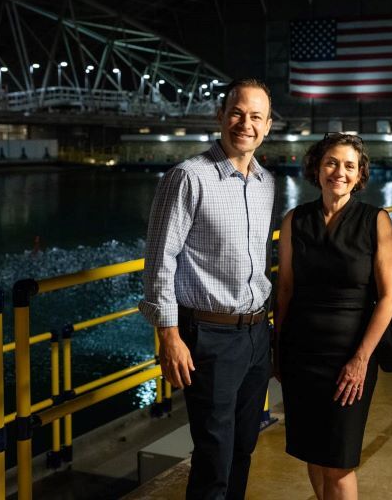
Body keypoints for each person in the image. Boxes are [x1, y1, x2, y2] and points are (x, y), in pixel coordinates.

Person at [140, 78, 275, 500]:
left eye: (256, 116)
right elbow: (159, 260)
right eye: (237, 113)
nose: (245, 124)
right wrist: (169, 335)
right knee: (214, 454)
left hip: (257, 333)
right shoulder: (187, 177)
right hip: (210, 337)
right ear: (220, 116)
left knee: (244, 447)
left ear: (268, 126)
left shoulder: (265, 182)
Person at [274, 133, 392, 500]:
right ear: (317, 167)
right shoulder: (294, 220)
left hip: (350, 357)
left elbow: (390, 297)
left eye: (349, 165)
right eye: (331, 163)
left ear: (360, 174)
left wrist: (361, 359)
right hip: (301, 355)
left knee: (340, 462)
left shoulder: (375, 220)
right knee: (313, 453)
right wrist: (278, 352)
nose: (339, 172)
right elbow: (285, 291)